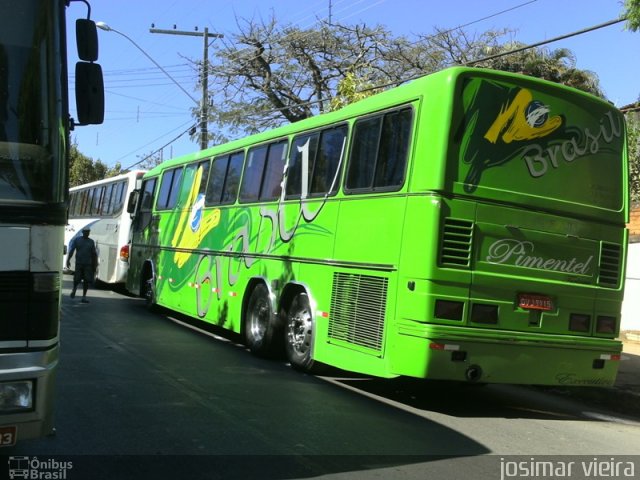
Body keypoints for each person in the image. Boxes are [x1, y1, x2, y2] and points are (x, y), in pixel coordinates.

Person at [66, 227, 98, 303]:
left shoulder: (91, 242)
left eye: (88, 232)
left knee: (86, 280)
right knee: (77, 279)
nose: (87, 233)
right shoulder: (77, 240)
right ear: (83, 232)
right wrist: (68, 260)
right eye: (86, 232)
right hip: (79, 263)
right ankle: (74, 289)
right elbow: (71, 250)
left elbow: (94, 254)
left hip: (88, 264)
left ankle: (84, 296)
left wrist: (94, 265)